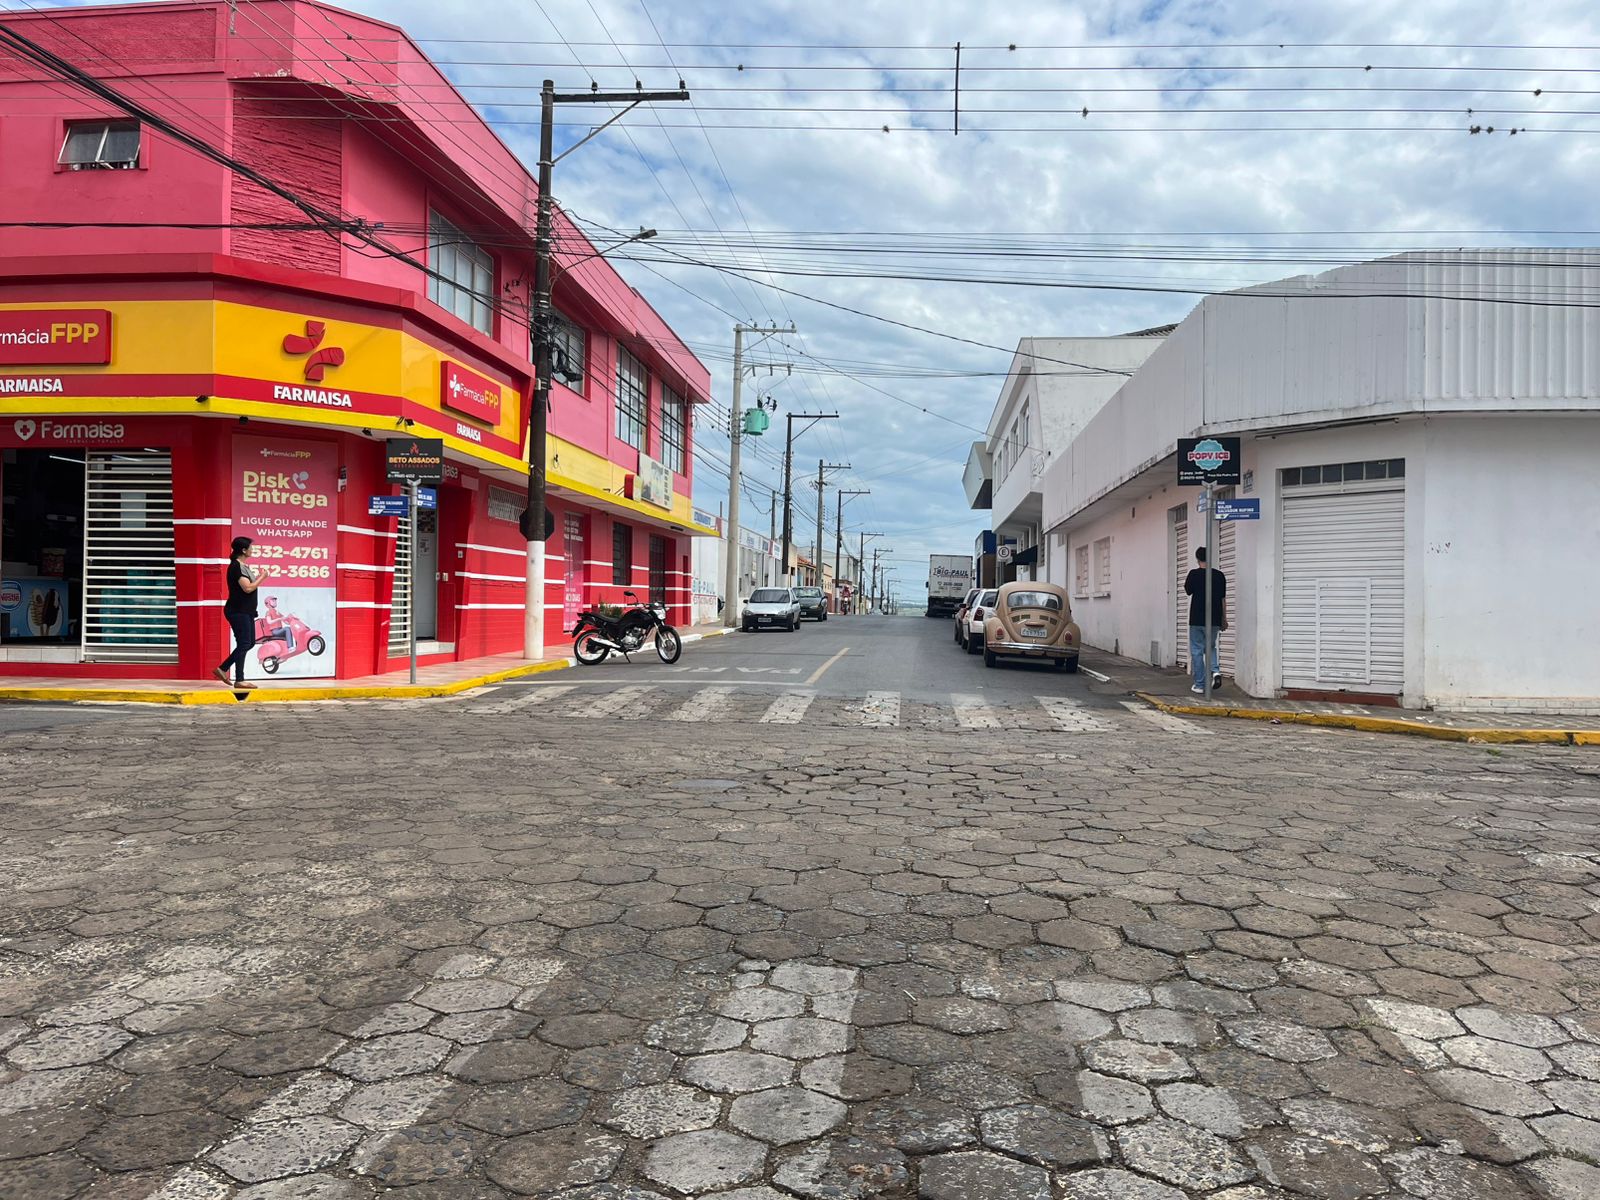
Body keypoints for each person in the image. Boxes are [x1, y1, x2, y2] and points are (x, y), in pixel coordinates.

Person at [214, 537, 264, 689]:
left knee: (248, 643)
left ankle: (235, 676)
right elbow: (248, 588)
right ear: (243, 550)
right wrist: (263, 577)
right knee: (244, 643)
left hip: (246, 611)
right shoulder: (236, 566)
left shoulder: (243, 566)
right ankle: (227, 671)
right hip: (238, 611)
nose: (252, 550)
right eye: (250, 547)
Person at [1184, 545, 1227, 695]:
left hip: (1196, 618)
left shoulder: (1193, 574)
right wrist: (1224, 618)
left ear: (1197, 559)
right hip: (1214, 618)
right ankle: (1215, 672)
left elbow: (1188, 591)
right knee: (1210, 647)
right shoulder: (1219, 575)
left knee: (1196, 651)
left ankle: (1200, 684)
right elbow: (1223, 599)